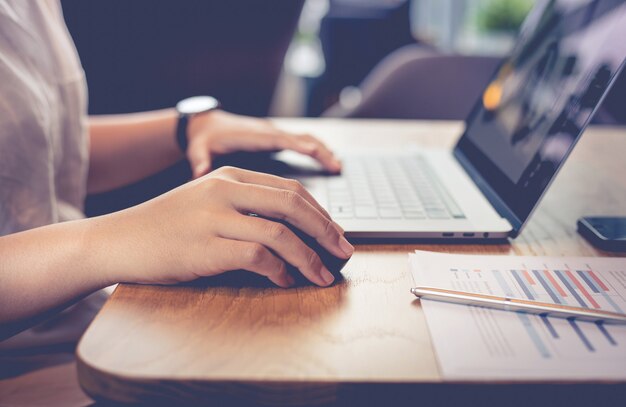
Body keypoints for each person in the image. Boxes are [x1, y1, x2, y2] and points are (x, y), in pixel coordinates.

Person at [0, 1, 353, 403]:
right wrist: (120, 239)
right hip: (29, 375)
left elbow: (41, 155)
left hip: (86, 329)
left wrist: (188, 127)